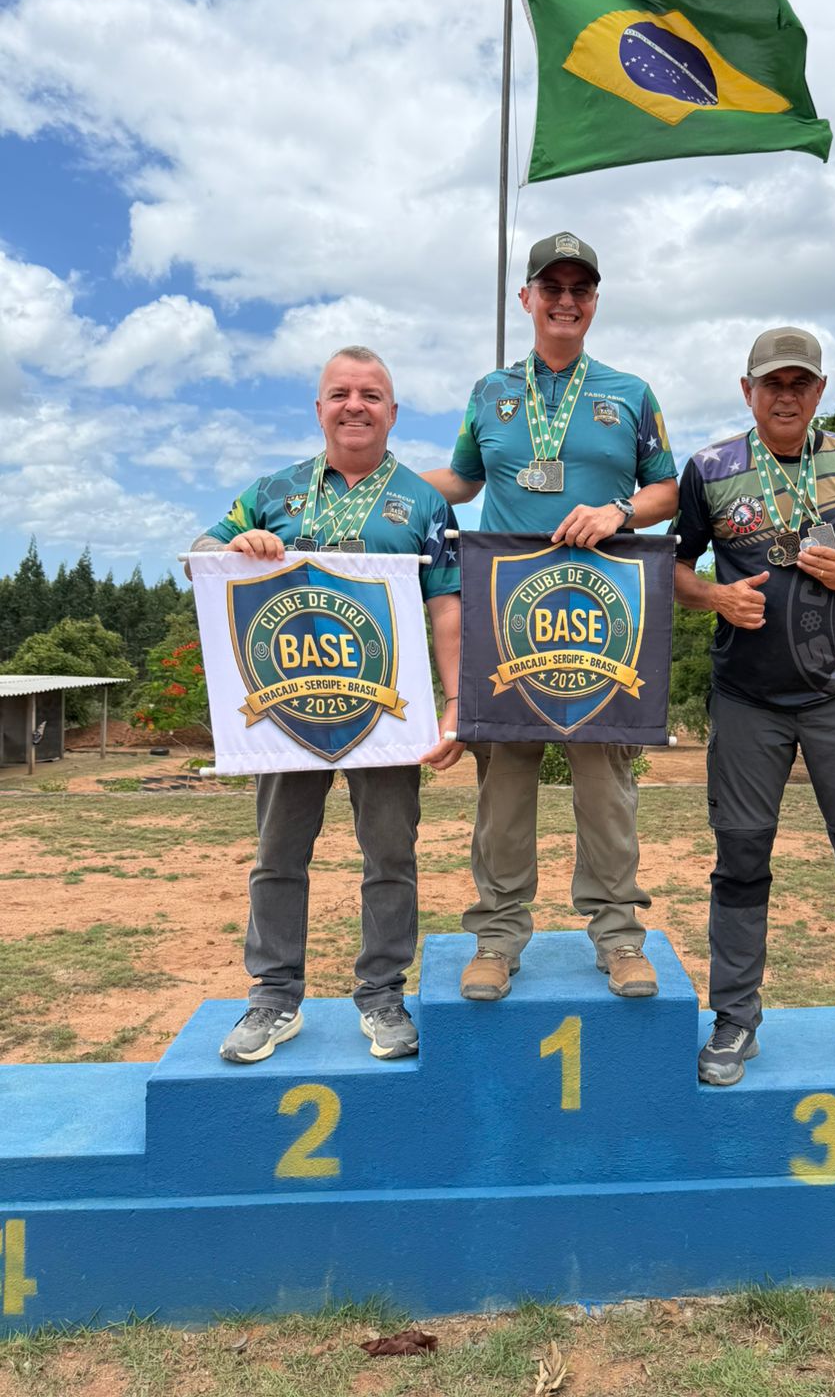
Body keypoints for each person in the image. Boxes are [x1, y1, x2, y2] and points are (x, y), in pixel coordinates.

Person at [189, 345, 463, 1064]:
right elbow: (200, 554)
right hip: (287, 710)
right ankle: (273, 996)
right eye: (340, 393)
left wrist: (456, 701)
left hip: (385, 710)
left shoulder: (425, 502)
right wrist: (237, 545)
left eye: (370, 395)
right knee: (278, 854)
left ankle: (383, 995)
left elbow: (446, 607)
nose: (354, 406)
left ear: (393, 412)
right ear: (318, 409)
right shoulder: (272, 491)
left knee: (391, 855)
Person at [423, 232, 678, 1001]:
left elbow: (667, 491)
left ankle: (618, 937)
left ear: (594, 301)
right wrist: (379, 484)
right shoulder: (490, 392)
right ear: (526, 298)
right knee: (504, 787)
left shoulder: (630, 393)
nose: (566, 300)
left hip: (602, 621)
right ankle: (498, 937)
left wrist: (618, 510)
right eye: (552, 287)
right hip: (509, 618)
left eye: (580, 289)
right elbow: (462, 481)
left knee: (606, 786)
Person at [673, 327, 835, 1087]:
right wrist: (715, 597)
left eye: (800, 383)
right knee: (740, 859)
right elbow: (673, 570)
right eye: (771, 383)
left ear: (819, 390)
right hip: (746, 697)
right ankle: (735, 1018)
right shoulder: (709, 469)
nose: (785, 396)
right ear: (747, 391)